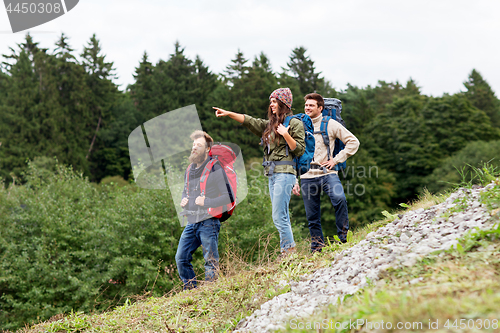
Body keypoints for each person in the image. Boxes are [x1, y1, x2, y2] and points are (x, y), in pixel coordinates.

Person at [213, 88, 305, 254]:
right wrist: (228, 113)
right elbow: (248, 120)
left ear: (284, 104)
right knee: (281, 215)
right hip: (272, 174)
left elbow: (298, 150)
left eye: (274, 101)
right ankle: (288, 250)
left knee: (278, 216)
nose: (271, 104)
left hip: (285, 173)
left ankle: (289, 252)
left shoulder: (295, 123)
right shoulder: (269, 126)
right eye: (270, 101)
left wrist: (285, 134)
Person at [292, 93, 359, 252]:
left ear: (320, 108)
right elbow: (293, 154)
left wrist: (336, 160)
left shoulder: (330, 124)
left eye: (311, 105)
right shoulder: (299, 126)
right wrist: (294, 180)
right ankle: (317, 247)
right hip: (307, 176)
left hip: (328, 173)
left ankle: (344, 239)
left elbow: (353, 142)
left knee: (339, 199)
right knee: (312, 216)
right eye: (306, 105)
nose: (307, 108)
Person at [175, 130, 232, 289]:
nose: (194, 148)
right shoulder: (189, 169)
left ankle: (210, 293)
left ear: (207, 149)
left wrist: (206, 202)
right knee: (181, 258)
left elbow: (229, 197)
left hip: (209, 222)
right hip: (191, 221)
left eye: (198, 145)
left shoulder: (215, 168)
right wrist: (183, 200)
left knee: (210, 261)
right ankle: (191, 291)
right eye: (193, 145)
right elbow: (185, 191)